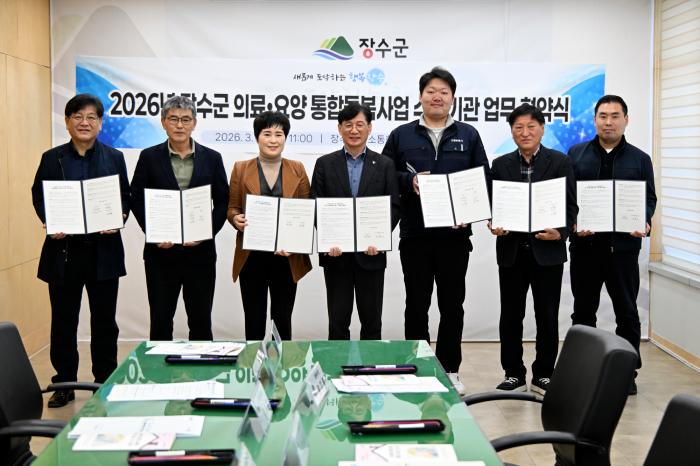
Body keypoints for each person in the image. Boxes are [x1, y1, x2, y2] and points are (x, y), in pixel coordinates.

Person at [381, 67, 491, 394]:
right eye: (431, 91)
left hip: (454, 238)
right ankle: (416, 367)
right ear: (420, 96)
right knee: (416, 305)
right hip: (415, 235)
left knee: (452, 306)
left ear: (453, 98)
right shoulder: (402, 135)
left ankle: (449, 369)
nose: (437, 97)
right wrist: (409, 180)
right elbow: (385, 177)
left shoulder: (468, 135)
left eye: (444, 91)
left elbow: (482, 179)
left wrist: (469, 214)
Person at [31, 93, 130, 407]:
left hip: (103, 252)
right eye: (77, 116)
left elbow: (124, 197)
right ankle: (64, 383)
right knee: (63, 322)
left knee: (105, 323)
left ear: (100, 123)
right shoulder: (52, 158)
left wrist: (119, 217)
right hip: (64, 252)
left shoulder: (114, 157)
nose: (84, 123)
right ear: (67, 121)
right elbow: (39, 195)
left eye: (91, 117)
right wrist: (50, 219)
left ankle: (104, 381)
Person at [568, 95, 656, 395]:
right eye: (603, 116)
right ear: (595, 120)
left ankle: (626, 372)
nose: (608, 122)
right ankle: (582, 369)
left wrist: (644, 220)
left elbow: (649, 198)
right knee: (583, 313)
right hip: (585, 248)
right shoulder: (575, 154)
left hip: (623, 250)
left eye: (615, 116)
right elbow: (568, 198)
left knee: (627, 313)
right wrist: (573, 223)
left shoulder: (640, 159)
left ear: (626, 120)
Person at [489, 103, 576, 395]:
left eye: (531, 127)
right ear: (512, 131)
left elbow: (571, 206)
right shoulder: (500, 165)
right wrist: (494, 224)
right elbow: (493, 206)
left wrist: (560, 232)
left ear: (542, 129)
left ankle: (544, 374)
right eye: (518, 127)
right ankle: (513, 373)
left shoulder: (560, 162)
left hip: (547, 252)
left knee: (547, 316)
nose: (525, 132)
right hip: (512, 251)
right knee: (510, 316)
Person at [131, 95, 229, 341]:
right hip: (160, 254)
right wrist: (154, 233)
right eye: (173, 119)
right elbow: (136, 198)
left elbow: (222, 201)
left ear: (194, 123)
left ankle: (202, 365)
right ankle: (159, 367)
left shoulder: (212, 158)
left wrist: (206, 233)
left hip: (201, 254)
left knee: (201, 321)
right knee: (161, 321)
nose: (179, 125)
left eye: (186, 119)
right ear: (163, 122)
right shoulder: (149, 157)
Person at [311, 103, 400, 340]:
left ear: (370, 128)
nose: (354, 130)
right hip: (336, 256)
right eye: (348, 125)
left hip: (371, 254)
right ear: (339, 128)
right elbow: (316, 205)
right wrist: (328, 239)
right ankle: (336, 364)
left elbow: (394, 206)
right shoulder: (324, 164)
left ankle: (371, 364)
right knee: (337, 322)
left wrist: (379, 238)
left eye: (360, 124)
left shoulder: (385, 164)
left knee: (372, 322)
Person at [228, 111, 312, 340]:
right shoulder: (240, 168)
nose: (273, 140)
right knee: (254, 320)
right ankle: (254, 361)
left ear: (285, 137)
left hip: (286, 257)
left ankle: (281, 361)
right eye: (267, 134)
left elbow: (306, 211)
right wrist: (235, 219)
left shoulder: (297, 168)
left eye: (279, 134)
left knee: (282, 321)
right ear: (257, 137)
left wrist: (295, 242)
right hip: (251, 257)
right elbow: (232, 207)